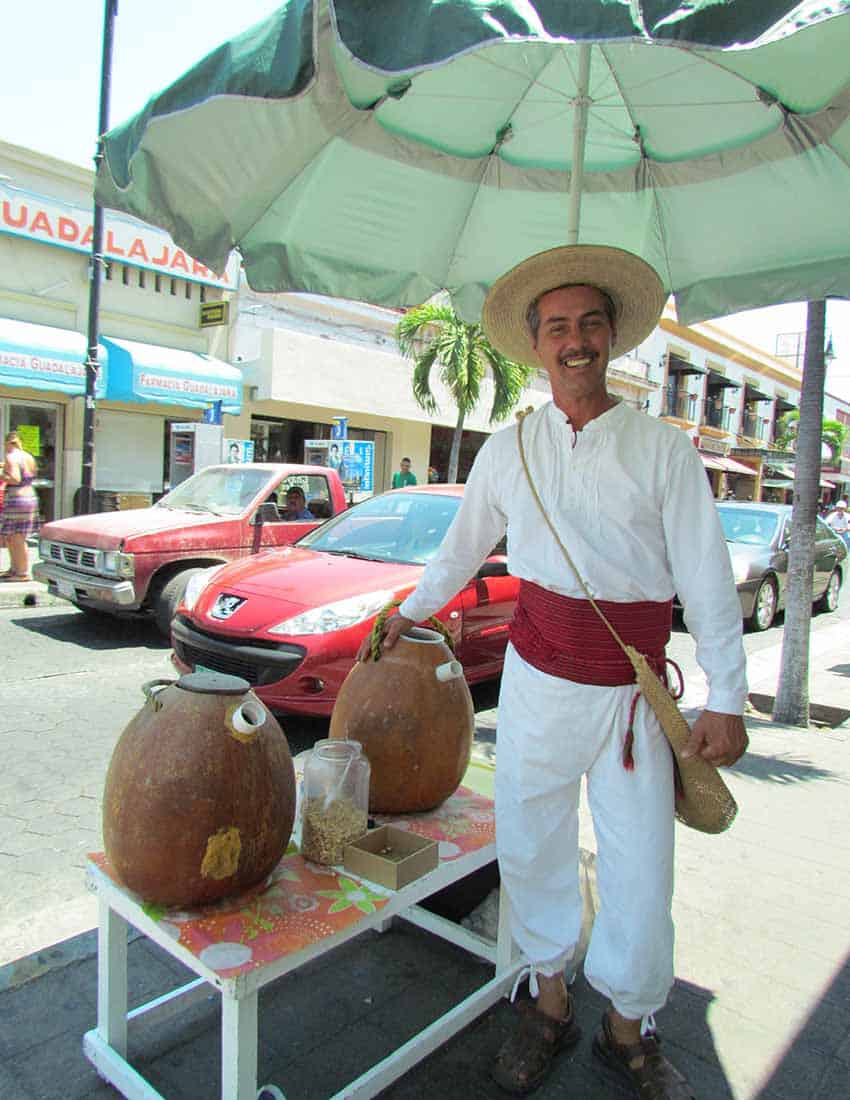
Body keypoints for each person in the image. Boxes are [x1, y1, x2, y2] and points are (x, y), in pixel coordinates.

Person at [362, 245, 748, 1098]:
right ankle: (547, 1002)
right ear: (536, 345)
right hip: (535, 685)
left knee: (641, 871)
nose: (576, 341)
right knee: (532, 848)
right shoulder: (510, 451)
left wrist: (729, 694)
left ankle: (628, 1026)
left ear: (613, 339)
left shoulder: (663, 450)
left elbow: (707, 576)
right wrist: (409, 614)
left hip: (633, 702)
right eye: (558, 327)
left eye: (591, 324)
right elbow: (460, 550)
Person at [1, 431, 39, 581]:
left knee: (16, 537)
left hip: (17, 498)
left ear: (8, 443)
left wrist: (1, 474)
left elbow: (15, 478)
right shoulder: (28, 457)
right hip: (29, 496)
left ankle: (21, 572)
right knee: (14, 536)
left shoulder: (11, 457)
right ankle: (14, 569)